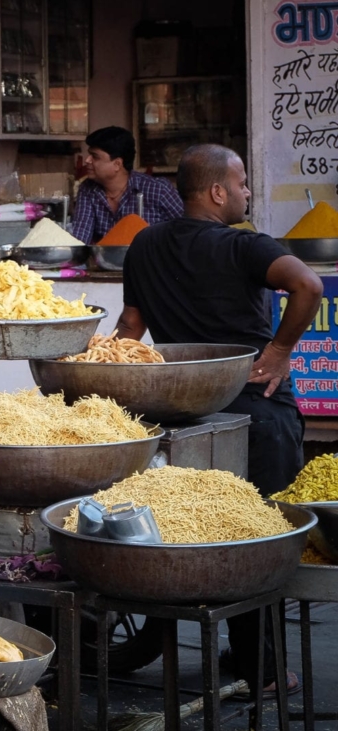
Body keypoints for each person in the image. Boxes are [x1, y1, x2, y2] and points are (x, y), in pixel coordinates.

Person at [117, 143, 323, 695]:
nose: (248, 192)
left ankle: (201, 647)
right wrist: (278, 353)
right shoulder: (244, 246)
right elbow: (309, 285)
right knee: (257, 540)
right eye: (242, 183)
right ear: (216, 191)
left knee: (192, 533)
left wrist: (111, 384)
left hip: (179, 417)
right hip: (256, 413)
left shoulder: (144, 245)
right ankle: (265, 672)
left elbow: (130, 329)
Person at [72, 126, 185, 244]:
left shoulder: (158, 189)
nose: (87, 160)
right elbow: (80, 239)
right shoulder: (88, 189)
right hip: (106, 261)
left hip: (152, 260)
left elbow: (189, 229)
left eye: (95, 157)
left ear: (117, 164)